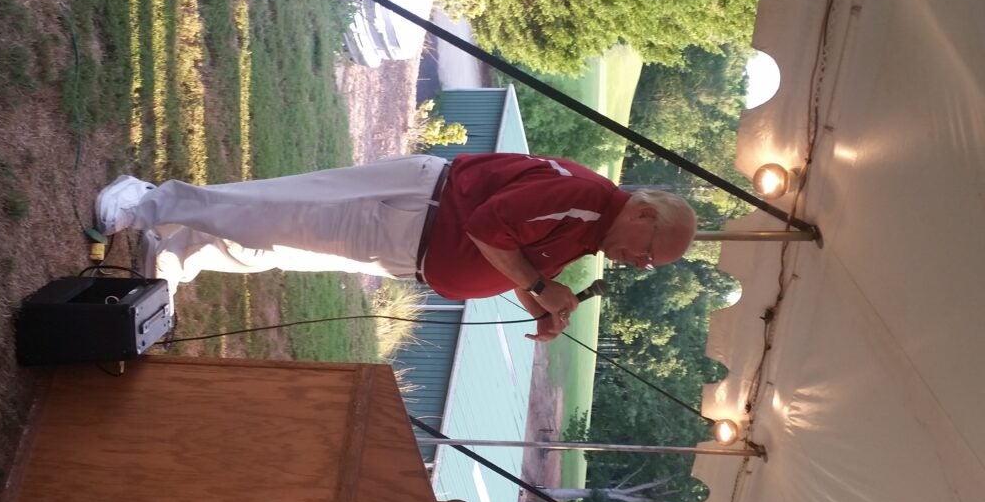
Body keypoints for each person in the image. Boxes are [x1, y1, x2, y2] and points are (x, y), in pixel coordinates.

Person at [96, 153, 697, 341]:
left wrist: (540, 303)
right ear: (643, 213)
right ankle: (146, 200)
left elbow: (508, 256)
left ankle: (175, 252)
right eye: (648, 252)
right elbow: (490, 228)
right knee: (271, 214)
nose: (638, 265)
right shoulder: (587, 199)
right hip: (413, 211)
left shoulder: (590, 231)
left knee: (275, 244)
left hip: (407, 246)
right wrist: (540, 286)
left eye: (647, 265)